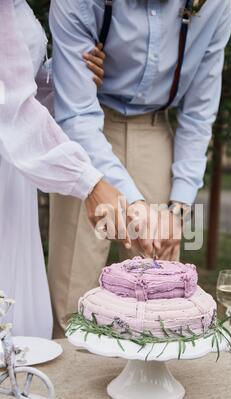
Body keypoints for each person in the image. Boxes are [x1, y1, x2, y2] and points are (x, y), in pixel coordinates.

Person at [48, 0, 231, 336]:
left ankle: (147, 381)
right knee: (71, 291)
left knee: (160, 292)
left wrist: (178, 208)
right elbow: (75, 114)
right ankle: (70, 378)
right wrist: (135, 206)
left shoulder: (216, 4)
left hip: (156, 129)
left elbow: (199, 112)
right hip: (89, 127)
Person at [0, 0, 132, 338]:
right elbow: (10, 111)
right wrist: (89, 182)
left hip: (15, 173)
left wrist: (69, 75)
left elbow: (21, 90)